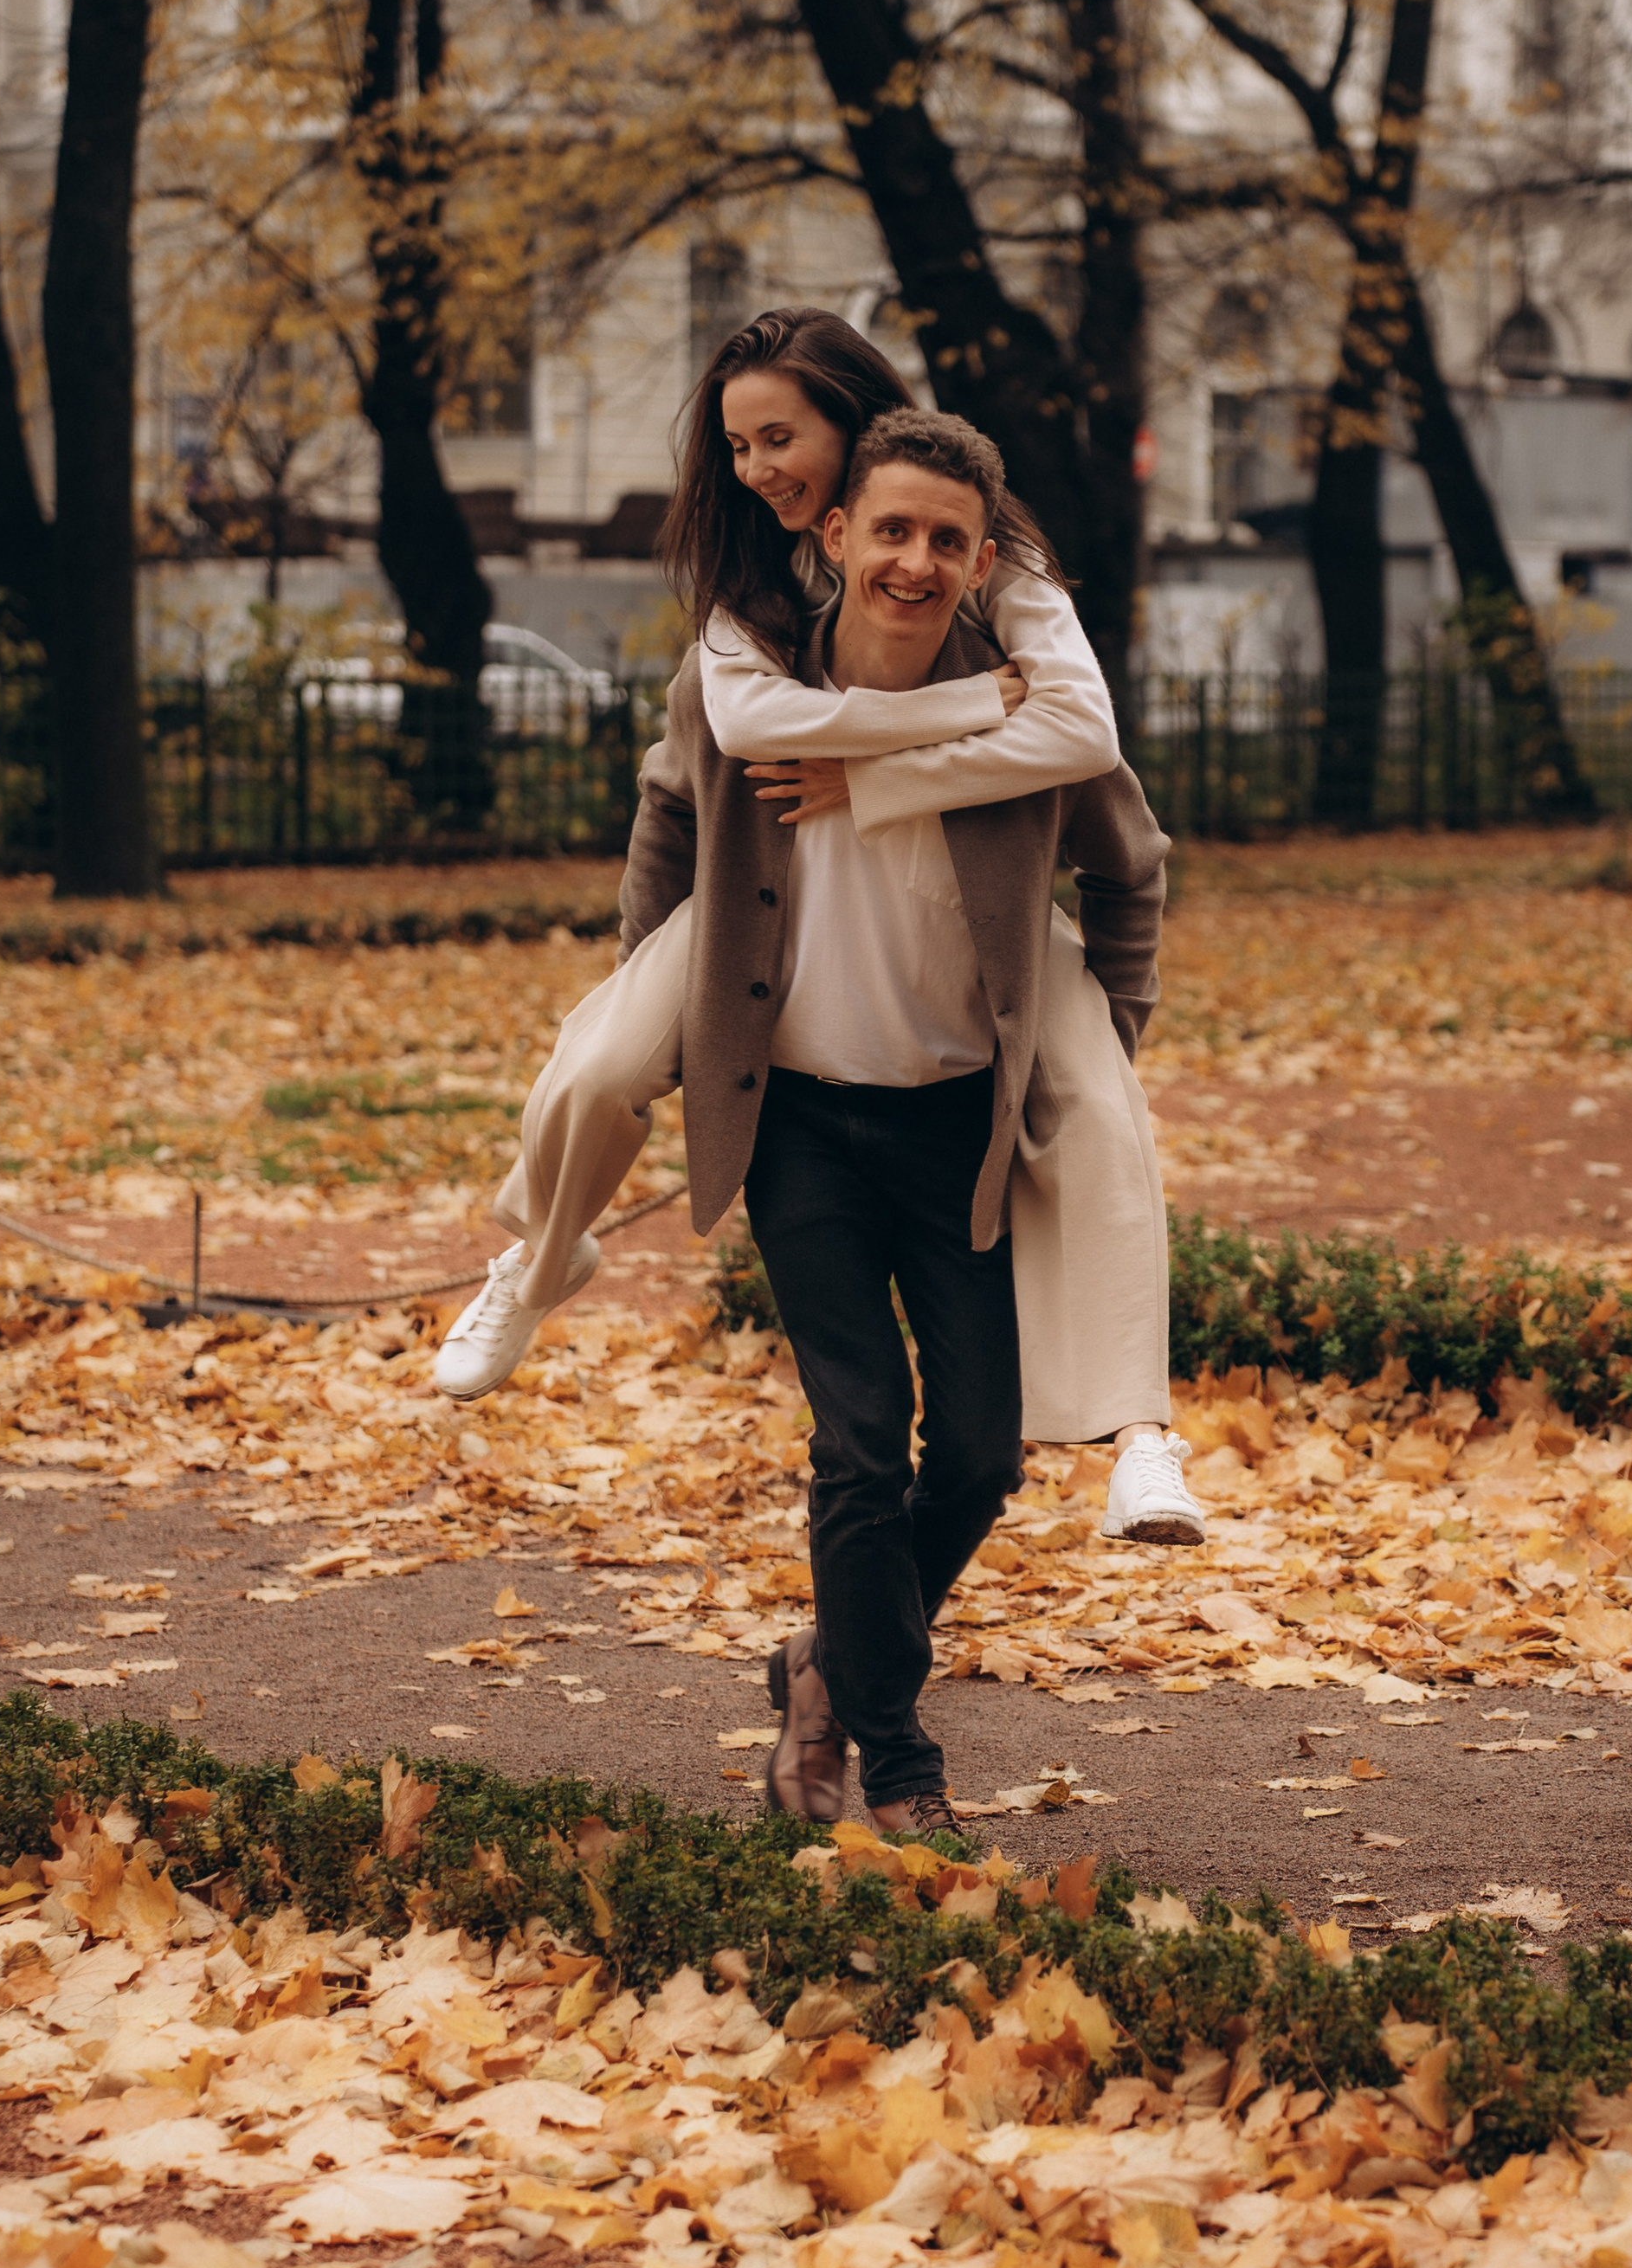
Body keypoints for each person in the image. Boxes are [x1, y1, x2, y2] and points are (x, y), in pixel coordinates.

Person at [433, 306, 1201, 1552]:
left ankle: (1140, 1434)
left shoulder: (992, 571)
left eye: (779, 436)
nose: (758, 471)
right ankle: (538, 1252)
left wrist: (884, 780)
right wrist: (658, 973)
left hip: (987, 945)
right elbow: (723, 754)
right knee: (595, 1061)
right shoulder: (750, 597)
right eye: (739, 449)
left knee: (1109, 1124)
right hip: (758, 913)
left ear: (854, 420)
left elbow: (1087, 747)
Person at [616, 407, 1171, 1838]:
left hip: (953, 1134)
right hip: (798, 1128)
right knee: (860, 1445)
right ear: (835, 535)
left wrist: (1107, 1039)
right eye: (892, 532)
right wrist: (651, 1007)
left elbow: (1133, 865)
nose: (914, 562)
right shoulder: (756, 689)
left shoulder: (1026, 712)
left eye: (945, 540)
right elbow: (667, 823)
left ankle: (823, 1667)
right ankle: (897, 1759)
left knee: (980, 1453)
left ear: (981, 560)